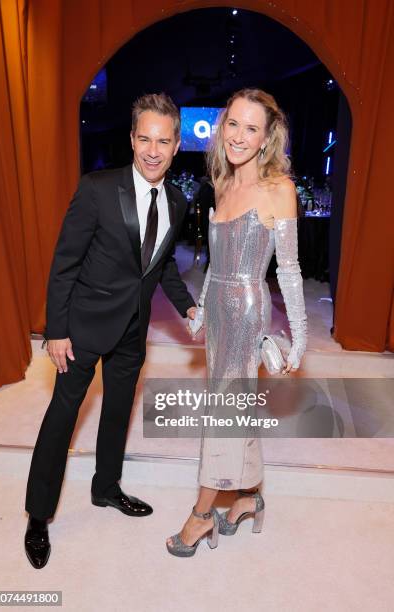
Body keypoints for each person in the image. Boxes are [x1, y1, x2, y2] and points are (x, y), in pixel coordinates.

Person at [24, 93, 196, 568]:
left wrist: (188, 309)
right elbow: (64, 265)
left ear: (178, 144)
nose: (153, 149)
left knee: (117, 416)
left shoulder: (177, 201)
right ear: (132, 138)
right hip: (81, 330)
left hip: (132, 334)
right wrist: (56, 330)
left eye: (164, 140)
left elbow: (162, 270)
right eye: (145, 138)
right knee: (61, 419)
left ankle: (106, 489)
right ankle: (38, 517)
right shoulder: (98, 188)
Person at [166, 88, 307, 557]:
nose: (240, 136)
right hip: (221, 312)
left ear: (267, 138)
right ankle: (247, 498)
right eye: (234, 124)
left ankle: (202, 515)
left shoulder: (278, 189)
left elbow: (287, 270)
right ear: (221, 126)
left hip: (247, 310)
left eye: (252, 128)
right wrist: (202, 308)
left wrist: (301, 339)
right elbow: (215, 263)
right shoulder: (222, 183)